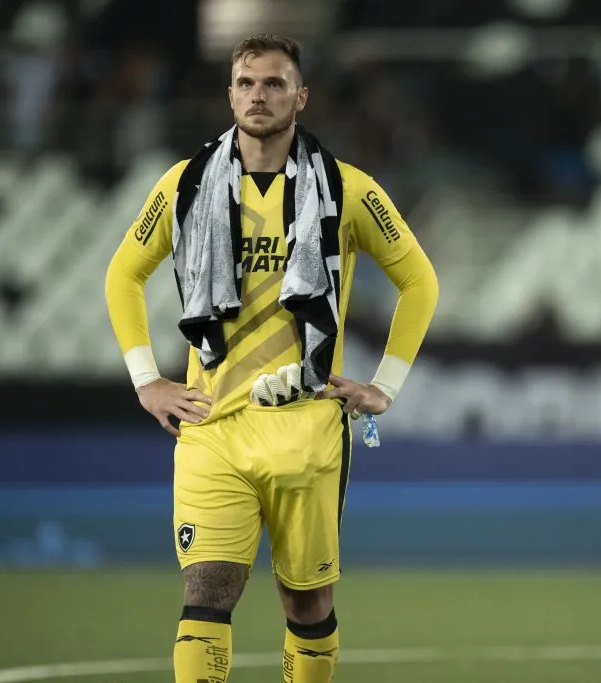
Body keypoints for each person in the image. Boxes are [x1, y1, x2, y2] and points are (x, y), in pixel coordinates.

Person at [104, 34, 439, 683]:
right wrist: (147, 379)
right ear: (230, 94)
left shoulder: (348, 188)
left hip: (307, 430)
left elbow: (420, 280)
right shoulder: (185, 185)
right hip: (213, 427)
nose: (259, 95)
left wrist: (385, 385)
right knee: (206, 589)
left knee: (307, 601)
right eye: (247, 83)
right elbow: (123, 274)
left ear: (301, 96)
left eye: (275, 83)